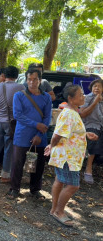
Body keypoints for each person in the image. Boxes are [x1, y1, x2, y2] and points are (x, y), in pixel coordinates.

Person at [45, 85, 98, 227]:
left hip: (67, 155)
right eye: (80, 95)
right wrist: (51, 145)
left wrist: (85, 134)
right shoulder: (69, 113)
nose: (83, 97)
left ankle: (54, 209)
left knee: (59, 180)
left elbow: (70, 131)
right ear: (70, 98)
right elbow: (57, 135)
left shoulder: (73, 112)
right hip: (67, 157)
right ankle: (59, 211)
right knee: (73, 185)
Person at [6, 68, 52, 199]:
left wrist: (39, 134)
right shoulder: (19, 95)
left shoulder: (46, 97)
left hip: (40, 136)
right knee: (17, 164)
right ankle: (14, 189)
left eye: (35, 79)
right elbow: (18, 115)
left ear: (40, 80)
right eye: (29, 79)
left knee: (38, 165)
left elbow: (47, 117)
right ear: (26, 80)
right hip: (22, 135)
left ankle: (35, 190)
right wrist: (36, 124)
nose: (32, 82)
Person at [0, 66, 25, 183]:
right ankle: (5, 175)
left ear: (5, 74)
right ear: (17, 76)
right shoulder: (21, 87)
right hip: (12, 122)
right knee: (9, 148)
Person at [79, 79, 103, 184]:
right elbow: (83, 114)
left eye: (99, 86)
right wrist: (95, 102)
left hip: (101, 124)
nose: (96, 88)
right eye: (94, 86)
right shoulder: (87, 98)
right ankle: (88, 169)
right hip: (90, 124)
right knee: (94, 136)